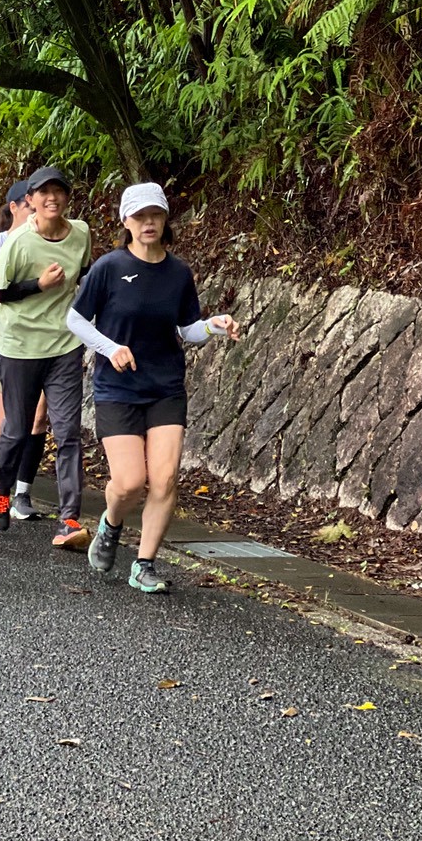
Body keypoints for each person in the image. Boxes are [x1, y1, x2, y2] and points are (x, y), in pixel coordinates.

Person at [66, 181, 240, 592]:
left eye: (155, 215)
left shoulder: (178, 272)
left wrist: (213, 326)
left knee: (163, 481)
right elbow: (74, 320)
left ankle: (144, 564)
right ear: (126, 221)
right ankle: (110, 525)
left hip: (165, 386)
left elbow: (187, 328)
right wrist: (110, 349)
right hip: (118, 387)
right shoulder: (108, 267)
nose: (148, 223)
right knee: (128, 483)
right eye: (140, 216)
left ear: (165, 220)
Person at [0, 166, 94, 549]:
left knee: (68, 433)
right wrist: (39, 285)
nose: (52, 198)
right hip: (19, 347)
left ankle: (69, 518)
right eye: (43, 192)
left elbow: (83, 275)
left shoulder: (80, 232)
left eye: (59, 191)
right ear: (29, 199)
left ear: (67, 197)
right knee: (16, 429)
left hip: (65, 345)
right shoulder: (19, 242)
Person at [0, 179, 50, 520]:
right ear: (14, 207)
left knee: (38, 420)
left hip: (40, 345)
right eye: (30, 207)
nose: (36, 213)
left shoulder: (49, 244)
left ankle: (22, 494)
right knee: (7, 424)